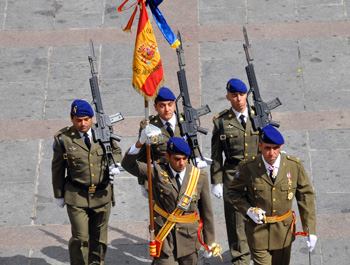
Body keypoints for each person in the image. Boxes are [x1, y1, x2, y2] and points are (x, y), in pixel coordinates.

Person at [227, 125, 317, 265]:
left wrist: (310, 229)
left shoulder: (294, 166)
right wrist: (248, 210)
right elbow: (233, 192)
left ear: (280, 147)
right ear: (260, 146)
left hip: (284, 232)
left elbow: (305, 197)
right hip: (258, 232)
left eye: (275, 148)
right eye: (267, 148)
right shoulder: (248, 167)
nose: (271, 153)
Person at [122, 135, 217, 264]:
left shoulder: (199, 177)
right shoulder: (157, 171)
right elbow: (128, 165)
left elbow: (207, 213)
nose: (182, 163)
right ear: (167, 156)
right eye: (177, 159)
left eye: (185, 159)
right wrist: (139, 143)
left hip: (189, 239)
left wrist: (209, 241)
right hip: (164, 238)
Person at [51, 99, 122, 265]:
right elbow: (57, 168)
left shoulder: (103, 132)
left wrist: (114, 163)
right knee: (80, 238)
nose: (83, 124)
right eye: (78, 120)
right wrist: (58, 194)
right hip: (77, 196)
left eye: (86, 119)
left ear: (92, 118)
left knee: (99, 239)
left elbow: (116, 151)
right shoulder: (64, 139)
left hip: (102, 195)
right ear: (71, 118)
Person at [210, 78, 259, 264]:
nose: (239, 99)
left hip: (257, 176)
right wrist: (216, 181)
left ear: (247, 95)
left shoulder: (258, 116)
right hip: (233, 178)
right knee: (237, 223)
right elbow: (216, 154)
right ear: (228, 97)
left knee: (260, 219)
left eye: (242, 94)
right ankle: (240, 259)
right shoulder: (221, 121)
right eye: (234, 95)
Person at [137, 86, 207, 198]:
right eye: (162, 105)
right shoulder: (149, 127)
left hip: (184, 173)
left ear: (175, 103)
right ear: (155, 107)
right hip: (161, 177)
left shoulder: (184, 122)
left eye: (170, 104)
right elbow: (142, 155)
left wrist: (197, 158)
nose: (167, 109)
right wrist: (143, 181)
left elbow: (193, 144)